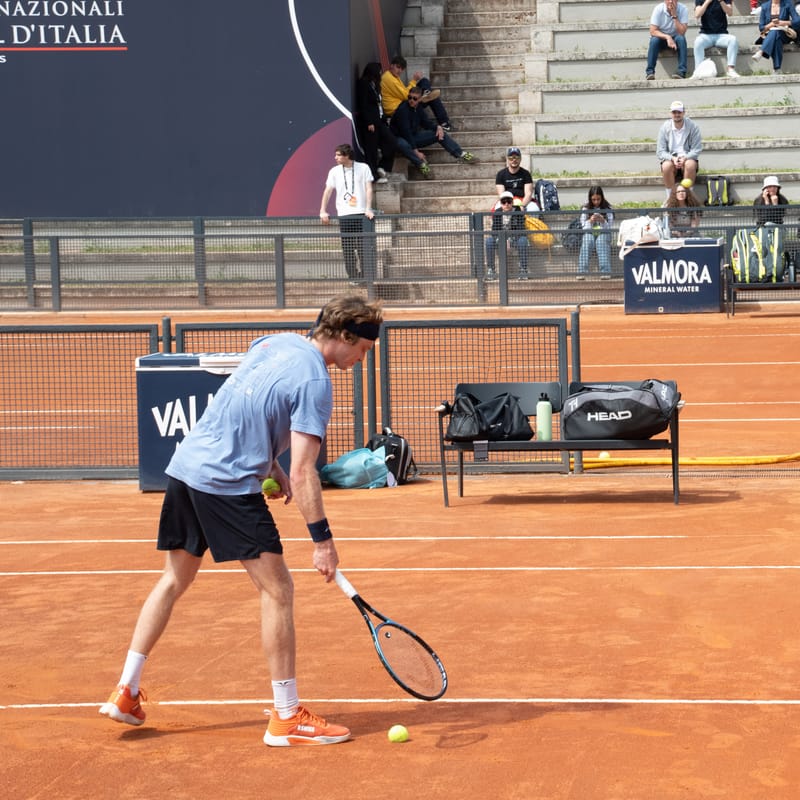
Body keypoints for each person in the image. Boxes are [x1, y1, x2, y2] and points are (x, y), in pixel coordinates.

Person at [99, 294, 384, 747]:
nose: (364, 358)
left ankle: (127, 691)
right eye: (364, 349)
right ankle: (287, 717)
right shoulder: (317, 383)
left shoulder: (274, 342)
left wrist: (267, 460)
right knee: (278, 589)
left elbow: (246, 404)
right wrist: (322, 541)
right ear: (346, 337)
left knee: (173, 579)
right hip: (224, 483)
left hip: (187, 467)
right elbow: (305, 472)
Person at [389, 87, 476, 178]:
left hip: (413, 137)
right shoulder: (402, 110)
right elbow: (405, 132)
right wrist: (416, 152)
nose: (411, 100)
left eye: (415, 98)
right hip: (398, 138)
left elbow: (426, 122)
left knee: (439, 133)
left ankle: (461, 154)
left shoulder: (418, 108)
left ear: (420, 99)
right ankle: (422, 165)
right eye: (409, 97)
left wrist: (437, 127)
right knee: (403, 145)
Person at [319, 144, 375, 282]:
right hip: (344, 214)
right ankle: (353, 277)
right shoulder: (334, 171)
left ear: (347, 155)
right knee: (348, 248)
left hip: (362, 213)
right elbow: (328, 191)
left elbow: (368, 188)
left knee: (363, 247)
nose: (335, 157)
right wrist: (322, 210)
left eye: (338, 155)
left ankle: (366, 276)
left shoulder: (363, 167)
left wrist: (368, 208)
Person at [381, 54, 454, 131]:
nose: (400, 71)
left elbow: (405, 92)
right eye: (398, 67)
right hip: (398, 108)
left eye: (402, 69)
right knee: (433, 97)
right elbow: (406, 95)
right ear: (391, 65)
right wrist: (414, 80)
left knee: (424, 81)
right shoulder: (389, 78)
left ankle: (426, 93)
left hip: (403, 103)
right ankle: (444, 122)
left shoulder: (393, 77)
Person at [355, 62, 396, 183]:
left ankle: (382, 167)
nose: (380, 74)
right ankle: (372, 175)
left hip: (379, 121)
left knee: (392, 141)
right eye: (378, 71)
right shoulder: (363, 84)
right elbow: (363, 105)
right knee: (371, 149)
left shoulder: (376, 85)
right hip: (370, 123)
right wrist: (368, 122)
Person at [656, 100, 702, 195]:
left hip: (687, 158)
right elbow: (660, 151)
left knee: (690, 164)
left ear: (684, 112)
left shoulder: (693, 126)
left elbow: (697, 149)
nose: (677, 114)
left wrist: (685, 158)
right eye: (674, 112)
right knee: (666, 166)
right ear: (670, 113)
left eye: (679, 112)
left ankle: (688, 198)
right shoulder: (664, 127)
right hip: (672, 159)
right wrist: (672, 158)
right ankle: (671, 198)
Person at [485, 191, 529, 281]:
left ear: (512, 202)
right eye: (504, 202)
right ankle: (491, 270)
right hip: (500, 238)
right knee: (489, 241)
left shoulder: (517, 211)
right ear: (501, 203)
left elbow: (521, 229)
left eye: (509, 201)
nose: (506, 204)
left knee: (523, 240)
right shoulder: (497, 212)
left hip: (515, 238)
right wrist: (502, 239)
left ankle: (523, 270)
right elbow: (494, 230)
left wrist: (510, 239)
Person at [693, 0, 740, 78]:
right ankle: (698, 70)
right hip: (706, 35)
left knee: (733, 40)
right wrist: (707, 2)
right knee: (698, 42)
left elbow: (730, 13)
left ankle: (730, 69)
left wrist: (721, 1)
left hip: (721, 35)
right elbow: (697, 15)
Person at [576, 186, 615, 279]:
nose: (596, 202)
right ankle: (582, 272)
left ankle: (605, 271)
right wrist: (590, 221)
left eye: (598, 199)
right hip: (590, 232)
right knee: (587, 241)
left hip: (604, 233)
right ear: (590, 199)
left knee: (601, 242)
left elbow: (609, 227)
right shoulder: (585, 209)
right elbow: (583, 227)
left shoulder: (608, 208)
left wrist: (603, 221)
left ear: (602, 198)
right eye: (594, 200)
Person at [752, 0, 800, 74]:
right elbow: (761, 27)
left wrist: (783, 22)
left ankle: (761, 51)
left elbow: (797, 21)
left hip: (785, 33)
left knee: (776, 33)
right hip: (771, 34)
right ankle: (777, 69)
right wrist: (771, 24)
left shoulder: (788, 4)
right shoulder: (765, 6)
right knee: (776, 37)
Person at [646, 0, 690, 79]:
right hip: (662, 37)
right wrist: (667, 37)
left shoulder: (683, 9)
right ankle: (650, 72)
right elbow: (652, 31)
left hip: (676, 37)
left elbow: (682, 32)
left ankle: (682, 71)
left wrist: (674, 16)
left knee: (681, 39)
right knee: (654, 40)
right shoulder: (658, 9)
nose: (670, 1)